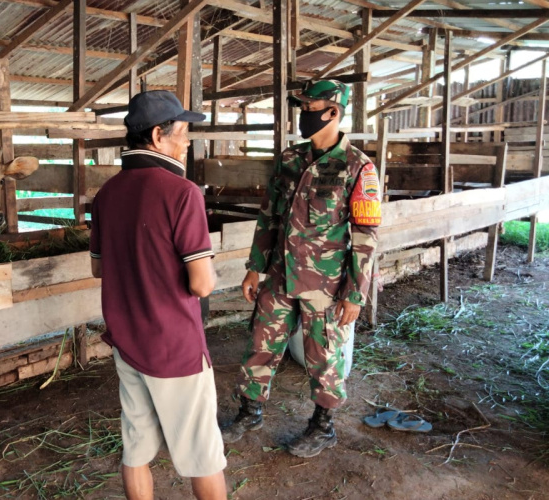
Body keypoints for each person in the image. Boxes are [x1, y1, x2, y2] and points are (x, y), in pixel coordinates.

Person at [220, 80, 381, 458]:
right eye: (302, 106)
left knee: (325, 356)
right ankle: (249, 412)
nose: (304, 113)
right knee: (259, 344)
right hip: (279, 276)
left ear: (333, 112)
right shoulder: (290, 159)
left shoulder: (358, 167)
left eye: (311, 107)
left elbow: (366, 235)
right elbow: (269, 217)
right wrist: (253, 268)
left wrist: (356, 293)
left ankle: (323, 427)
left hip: (325, 285)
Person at [89, 90, 228, 500]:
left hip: (127, 340)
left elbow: (99, 267)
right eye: (183, 132)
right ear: (157, 136)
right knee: (203, 453)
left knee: (136, 448)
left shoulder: (106, 195)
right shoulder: (181, 192)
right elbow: (201, 284)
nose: (186, 142)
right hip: (174, 346)